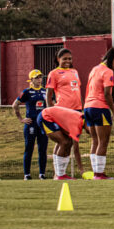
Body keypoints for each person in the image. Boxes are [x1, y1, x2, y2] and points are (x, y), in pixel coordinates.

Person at [84, 47, 114, 179]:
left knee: (95, 141)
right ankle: (99, 173)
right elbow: (107, 94)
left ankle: (95, 172)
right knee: (103, 141)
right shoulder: (108, 71)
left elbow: (88, 89)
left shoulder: (94, 69)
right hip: (100, 108)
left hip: (88, 106)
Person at [45, 48, 83, 176]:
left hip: (76, 110)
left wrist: (81, 107)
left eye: (69, 59)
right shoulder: (54, 73)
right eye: (65, 59)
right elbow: (49, 95)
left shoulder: (75, 71)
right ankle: (59, 173)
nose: (68, 61)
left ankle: (59, 172)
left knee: (67, 141)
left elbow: (77, 90)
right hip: (63, 110)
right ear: (58, 59)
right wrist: (52, 111)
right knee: (66, 141)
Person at [12, 69, 48, 180]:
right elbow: (15, 104)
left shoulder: (45, 91)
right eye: (37, 77)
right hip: (31, 123)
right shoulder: (27, 91)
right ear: (31, 79)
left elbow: (52, 104)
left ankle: (42, 174)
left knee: (43, 149)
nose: (39, 79)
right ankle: (27, 174)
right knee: (29, 148)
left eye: (40, 77)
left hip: (42, 124)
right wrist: (21, 119)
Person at [36, 104, 86, 180]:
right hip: (46, 116)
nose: (91, 132)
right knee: (64, 142)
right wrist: (82, 170)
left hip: (51, 116)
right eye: (91, 129)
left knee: (69, 142)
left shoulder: (81, 118)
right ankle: (60, 175)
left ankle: (60, 174)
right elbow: (76, 150)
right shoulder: (77, 123)